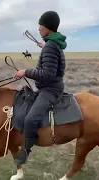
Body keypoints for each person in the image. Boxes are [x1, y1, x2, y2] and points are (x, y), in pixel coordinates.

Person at [14, 10, 67, 165]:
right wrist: (43, 46)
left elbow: (48, 74)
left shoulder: (51, 46)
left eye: (41, 26)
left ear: (48, 27)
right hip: (49, 87)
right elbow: (51, 58)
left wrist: (25, 71)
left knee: (30, 119)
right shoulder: (53, 44)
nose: (39, 29)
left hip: (50, 90)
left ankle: (26, 150)